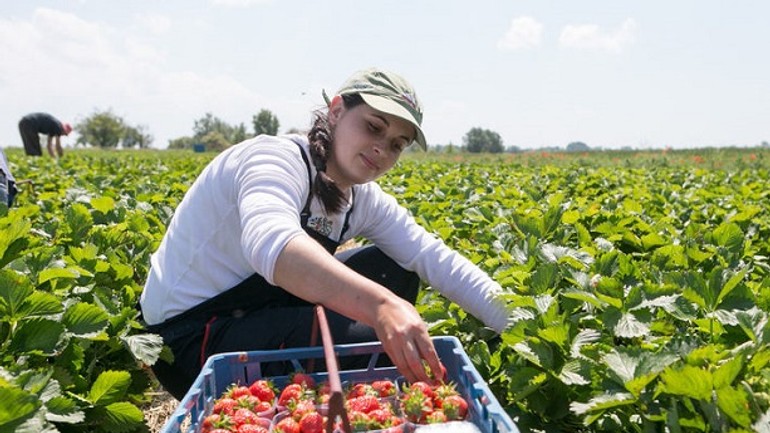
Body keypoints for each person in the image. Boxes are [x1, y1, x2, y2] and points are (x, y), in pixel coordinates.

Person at [139, 67, 511, 400]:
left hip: (257, 310)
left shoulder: (361, 198)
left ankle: (321, 400)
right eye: (373, 126)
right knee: (372, 339)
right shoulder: (273, 159)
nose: (382, 148)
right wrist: (381, 307)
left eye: (398, 144)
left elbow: (432, 257)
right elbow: (273, 245)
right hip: (188, 340)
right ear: (336, 112)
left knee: (394, 268)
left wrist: (522, 327)